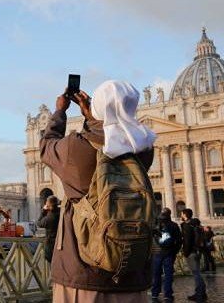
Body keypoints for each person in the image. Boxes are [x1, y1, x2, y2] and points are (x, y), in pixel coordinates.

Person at [40, 80, 156, 302]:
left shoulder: (76, 148)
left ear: (97, 107)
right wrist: (93, 118)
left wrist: (60, 111)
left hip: (84, 274)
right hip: (133, 274)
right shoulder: (143, 149)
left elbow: (46, 147)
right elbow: (111, 138)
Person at [152, 207, 182, 302]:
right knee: (168, 274)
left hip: (157, 253)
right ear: (170, 214)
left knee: (156, 274)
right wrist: (174, 251)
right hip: (169, 253)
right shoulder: (174, 225)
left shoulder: (155, 224)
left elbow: (151, 238)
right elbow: (179, 241)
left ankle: (154, 293)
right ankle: (168, 294)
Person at [181, 209, 207, 302]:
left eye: (182, 214)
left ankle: (199, 294)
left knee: (196, 274)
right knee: (197, 273)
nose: (181, 215)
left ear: (185, 215)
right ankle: (202, 293)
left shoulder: (187, 226)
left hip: (191, 252)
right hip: (198, 251)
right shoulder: (196, 225)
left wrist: (186, 253)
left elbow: (187, 241)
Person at [37, 195, 61, 263]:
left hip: (51, 245)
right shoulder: (60, 212)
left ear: (48, 205)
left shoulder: (49, 218)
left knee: (53, 267)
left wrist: (43, 211)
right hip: (61, 244)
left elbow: (38, 223)